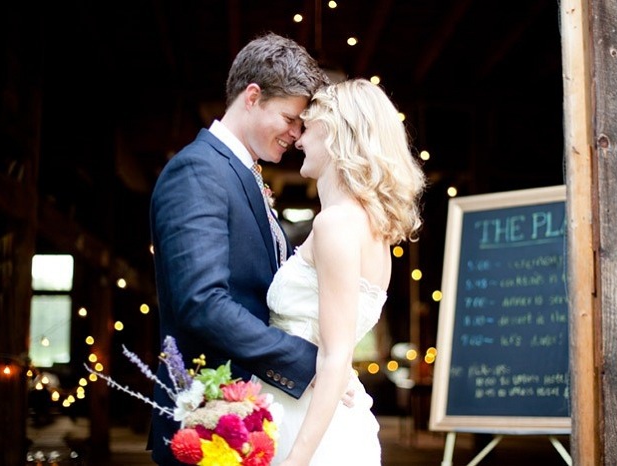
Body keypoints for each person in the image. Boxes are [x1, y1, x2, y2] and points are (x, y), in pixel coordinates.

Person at [147, 32, 330, 465]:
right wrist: (308, 362)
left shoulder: (241, 173)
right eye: (289, 117)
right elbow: (202, 302)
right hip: (210, 423)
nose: (295, 133)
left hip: (251, 416)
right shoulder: (198, 170)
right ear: (252, 96)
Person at [262, 78, 426, 465]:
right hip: (324, 412)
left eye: (309, 127)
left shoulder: (335, 224)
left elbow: (335, 357)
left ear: (335, 134)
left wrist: (296, 460)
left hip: (303, 422)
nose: (298, 139)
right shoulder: (374, 229)